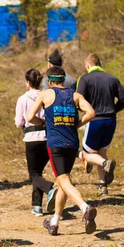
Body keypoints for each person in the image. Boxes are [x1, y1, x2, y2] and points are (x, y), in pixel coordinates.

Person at [26, 66, 97, 236]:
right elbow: (91, 112)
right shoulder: (75, 95)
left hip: (55, 143)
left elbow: (29, 117)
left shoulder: (45, 94)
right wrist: (78, 124)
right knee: (63, 181)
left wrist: (42, 123)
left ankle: (85, 207)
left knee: (63, 180)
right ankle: (54, 222)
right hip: (72, 143)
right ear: (63, 80)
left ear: (49, 81)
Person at [76, 54, 124, 195]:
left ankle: (105, 164)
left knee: (87, 155)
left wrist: (83, 111)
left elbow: (78, 99)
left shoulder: (84, 79)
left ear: (87, 66)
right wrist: (113, 109)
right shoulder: (112, 78)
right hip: (111, 120)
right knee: (102, 152)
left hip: (94, 120)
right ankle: (102, 185)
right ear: (100, 63)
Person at [15, 69, 57, 216]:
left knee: (33, 175)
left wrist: (24, 124)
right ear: (40, 82)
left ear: (28, 82)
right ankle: (37, 207)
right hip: (47, 138)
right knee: (38, 173)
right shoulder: (47, 97)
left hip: (31, 139)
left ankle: (50, 188)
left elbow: (19, 122)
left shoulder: (22, 99)